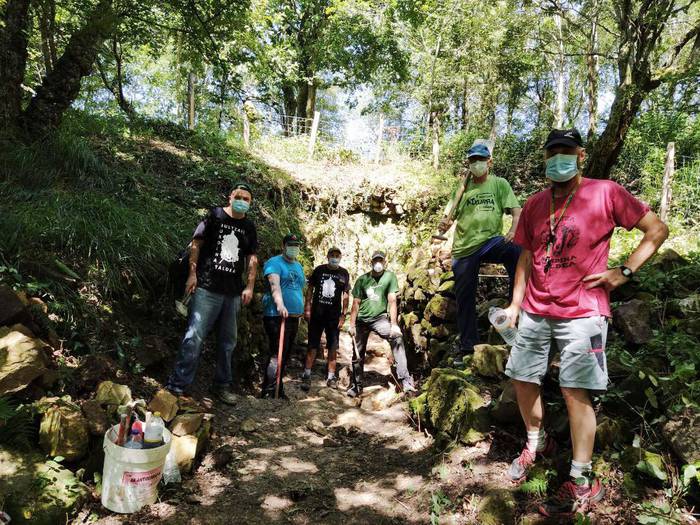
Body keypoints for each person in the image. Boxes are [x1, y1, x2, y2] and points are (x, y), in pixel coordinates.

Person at [503, 128, 668, 517]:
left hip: (583, 309)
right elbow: (526, 256)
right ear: (545, 158)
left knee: (576, 390)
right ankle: (536, 443)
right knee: (522, 377)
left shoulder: (606, 192)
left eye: (565, 151)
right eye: (551, 152)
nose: (558, 158)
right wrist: (515, 303)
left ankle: (581, 478)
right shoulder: (534, 203)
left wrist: (623, 271)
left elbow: (656, 230)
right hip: (536, 308)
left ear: (580, 155)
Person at [166, 182, 258, 404]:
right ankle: (177, 386)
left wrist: (250, 286)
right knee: (194, 336)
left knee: (228, 342)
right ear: (230, 197)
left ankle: (221, 386)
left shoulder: (249, 227)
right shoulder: (215, 216)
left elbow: (251, 258)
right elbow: (196, 244)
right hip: (206, 287)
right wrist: (192, 274)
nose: (242, 201)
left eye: (247, 199)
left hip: (233, 292)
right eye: (239, 197)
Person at [438, 141, 522, 360]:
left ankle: (515, 305)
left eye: (480, 160)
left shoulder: (499, 184)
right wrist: (443, 224)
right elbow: (447, 219)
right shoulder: (462, 189)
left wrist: (513, 229)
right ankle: (468, 345)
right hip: (464, 248)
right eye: (472, 160)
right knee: (465, 297)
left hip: (490, 241)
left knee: (516, 250)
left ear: (489, 162)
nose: (476, 164)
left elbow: (516, 210)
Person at [347, 251, 415, 397]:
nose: (378, 263)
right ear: (371, 262)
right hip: (361, 320)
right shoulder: (362, 279)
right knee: (357, 352)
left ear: (384, 262)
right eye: (375, 260)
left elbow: (392, 301)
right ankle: (356, 385)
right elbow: (356, 304)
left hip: (380, 319)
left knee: (396, 339)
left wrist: (394, 324)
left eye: (380, 260)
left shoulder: (389, 277)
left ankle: (406, 381)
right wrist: (351, 325)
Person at [260, 233, 307, 399]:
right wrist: (280, 304)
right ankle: (269, 389)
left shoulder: (298, 266)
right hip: (276, 315)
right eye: (290, 245)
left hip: (294, 316)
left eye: (296, 245)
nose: (293, 248)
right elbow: (275, 285)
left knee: (286, 353)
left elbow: (300, 289)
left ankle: (278, 387)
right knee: (276, 352)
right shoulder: (274, 263)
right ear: (283, 246)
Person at [301, 247, 350, 391]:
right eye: (332, 255)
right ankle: (307, 374)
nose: (335, 257)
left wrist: (343, 315)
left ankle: (331, 376)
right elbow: (310, 289)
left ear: (340, 257)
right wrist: (307, 307)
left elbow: (345, 295)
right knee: (312, 345)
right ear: (327, 256)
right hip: (317, 314)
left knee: (333, 346)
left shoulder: (344, 273)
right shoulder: (319, 270)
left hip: (333, 317)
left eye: (337, 255)